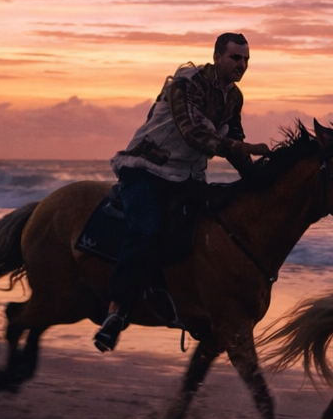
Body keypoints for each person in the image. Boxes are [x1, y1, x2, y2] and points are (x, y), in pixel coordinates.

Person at [93, 33, 269, 352]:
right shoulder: (186, 84)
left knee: (213, 233)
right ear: (217, 57)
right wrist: (240, 147)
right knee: (147, 232)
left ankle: (191, 307)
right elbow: (194, 134)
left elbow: (236, 144)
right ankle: (116, 312)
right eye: (235, 58)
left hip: (188, 177)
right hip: (147, 169)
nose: (241, 65)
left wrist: (259, 180)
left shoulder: (234, 97)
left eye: (246, 60)